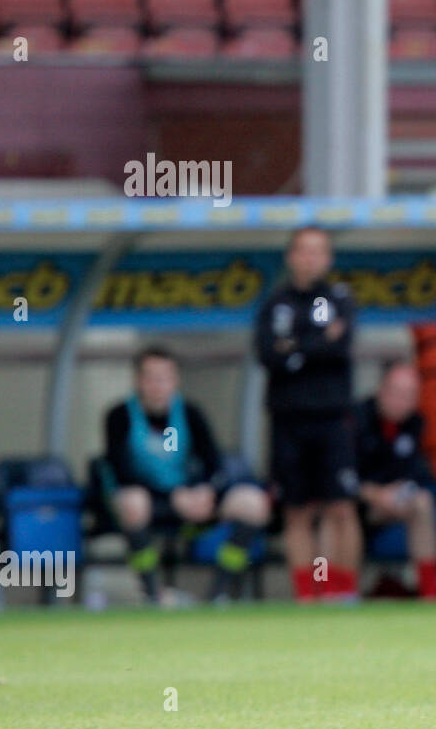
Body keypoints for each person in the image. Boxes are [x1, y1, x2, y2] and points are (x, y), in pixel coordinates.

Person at [104, 346, 269, 604]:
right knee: (132, 502)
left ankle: (219, 592)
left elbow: (213, 463)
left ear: (175, 380)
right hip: (154, 502)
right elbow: (121, 471)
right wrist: (172, 497)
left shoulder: (191, 413)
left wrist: (205, 490)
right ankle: (154, 594)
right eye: (151, 377)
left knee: (252, 502)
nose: (158, 385)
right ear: (138, 380)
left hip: (194, 500)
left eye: (164, 377)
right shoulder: (120, 416)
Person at [254, 226, 361, 602]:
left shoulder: (340, 299)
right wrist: (316, 344)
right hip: (288, 420)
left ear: (328, 258)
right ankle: (307, 593)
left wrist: (296, 350)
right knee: (297, 510)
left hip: (332, 419)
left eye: (318, 251)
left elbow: (341, 347)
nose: (310, 258)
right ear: (291, 256)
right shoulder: (276, 303)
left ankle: (340, 591)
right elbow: (269, 355)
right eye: (303, 250)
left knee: (340, 507)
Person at [355, 359, 436, 600]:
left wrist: (399, 491)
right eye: (396, 392)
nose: (400, 401)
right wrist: (375, 494)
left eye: (408, 395)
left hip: (390, 508)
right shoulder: (355, 420)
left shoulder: (415, 425)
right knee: (340, 509)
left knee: (423, 502)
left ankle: (431, 595)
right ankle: (340, 594)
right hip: (355, 507)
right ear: (381, 390)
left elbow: (418, 474)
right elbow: (341, 478)